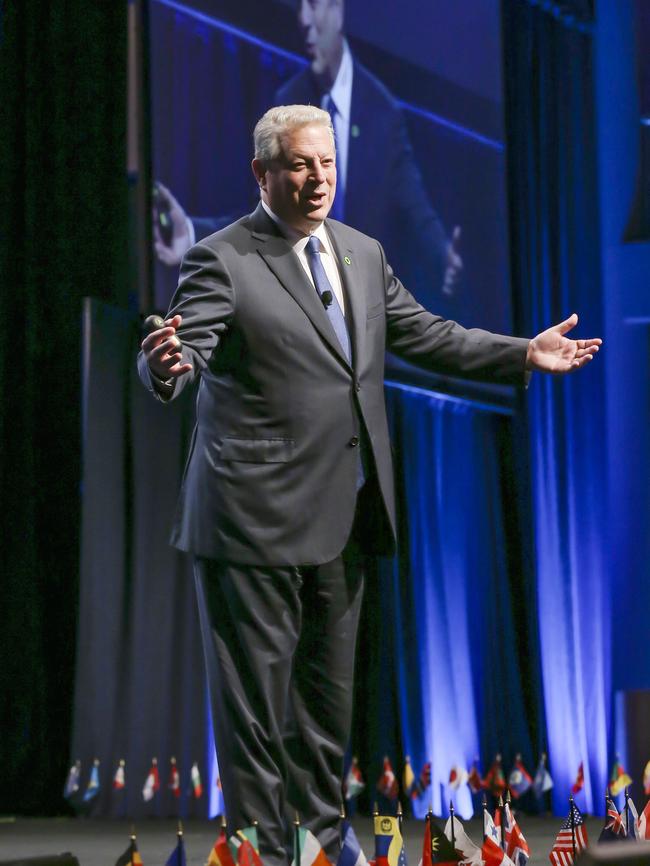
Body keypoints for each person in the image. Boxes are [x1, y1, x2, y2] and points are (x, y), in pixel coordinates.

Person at [138, 105, 600, 866]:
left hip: (345, 513)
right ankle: (259, 854)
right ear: (262, 174)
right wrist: (166, 365)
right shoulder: (222, 258)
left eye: (325, 163)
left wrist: (524, 352)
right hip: (249, 521)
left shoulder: (360, 252)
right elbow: (188, 347)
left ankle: (322, 842)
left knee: (326, 710)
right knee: (255, 719)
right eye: (298, 165)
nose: (317, 178)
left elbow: (428, 334)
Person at [154, 0, 462, 297]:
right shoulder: (288, 100)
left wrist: (442, 255)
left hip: (365, 315)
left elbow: (414, 208)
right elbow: (261, 215)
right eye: (299, 6)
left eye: (312, 3)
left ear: (338, 10)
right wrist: (193, 233)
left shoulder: (382, 113)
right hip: (300, 310)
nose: (303, 18)